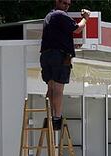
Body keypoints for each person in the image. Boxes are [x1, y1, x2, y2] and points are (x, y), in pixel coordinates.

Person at [40, 0, 90, 130]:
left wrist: (71, 45)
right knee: (58, 89)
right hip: (58, 57)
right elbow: (78, 29)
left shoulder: (49, 16)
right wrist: (85, 18)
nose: (67, 6)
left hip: (46, 56)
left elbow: (56, 38)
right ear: (57, 1)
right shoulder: (61, 14)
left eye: (68, 4)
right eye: (64, 3)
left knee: (50, 88)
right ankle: (57, 119)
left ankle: (50, 116)